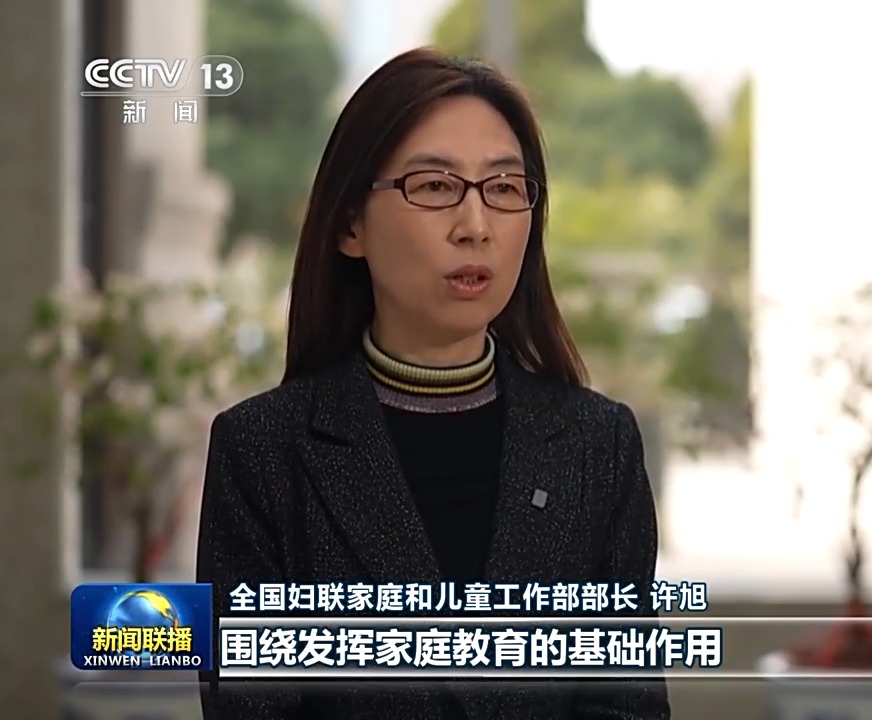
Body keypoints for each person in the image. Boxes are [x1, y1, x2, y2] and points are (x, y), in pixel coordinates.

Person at [196, 47, 669, 720]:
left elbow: (627, 707)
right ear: (351, 224)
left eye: (504, 188)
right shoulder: (264, 452)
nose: (475, 226)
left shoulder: (598, 446)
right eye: (436, 187)